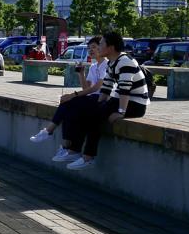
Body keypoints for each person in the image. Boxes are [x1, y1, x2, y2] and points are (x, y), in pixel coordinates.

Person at [63, 31, 150, 170]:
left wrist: (121, 112)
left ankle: (88, 157)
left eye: (101, 44)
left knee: (94, 116)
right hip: (119, 100)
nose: (99, 47)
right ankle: (73, 151)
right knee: (89, 111)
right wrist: (98, 106)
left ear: (111, 47)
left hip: (136, 104)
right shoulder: (112, 62)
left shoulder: (125, 61)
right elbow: (106, 88)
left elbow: (125, 90)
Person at [29, 36, 107, 161]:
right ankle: (66, 148)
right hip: (91, 98)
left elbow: (95, 88)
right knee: (70, 110)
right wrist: (81, 74)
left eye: (94, 47)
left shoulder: (106, 64)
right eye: (89, 48)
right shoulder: (93, 67)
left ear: (102, 47)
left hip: (101, 100)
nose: (90, 50)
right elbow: (86, 88)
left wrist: (72, 95)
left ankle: (49, 131)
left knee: (69, 101)